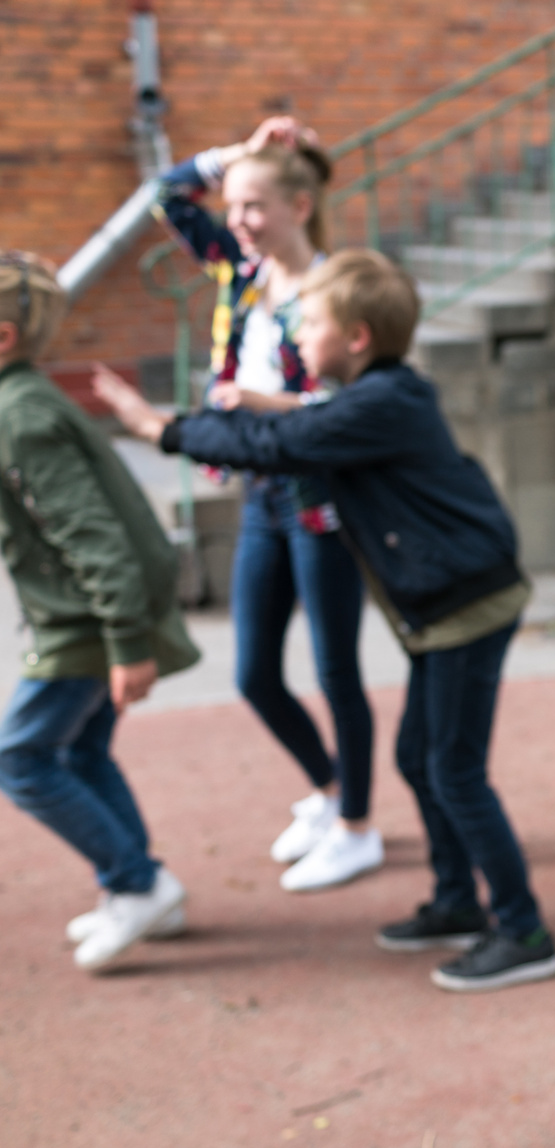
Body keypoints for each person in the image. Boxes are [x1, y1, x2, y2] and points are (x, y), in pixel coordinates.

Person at [97, 249, 555, 993]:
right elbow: (303, 419)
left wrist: (162, 429)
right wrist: (251, 403)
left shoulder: (380, 405)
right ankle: (455, 903)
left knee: (454, 769)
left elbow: (286, 446)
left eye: (308, 323)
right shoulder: (382, 393)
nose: (297, 333)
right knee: (422, 759)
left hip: (466, 608)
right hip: (438, 608)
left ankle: (523, 928)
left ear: (355, 338)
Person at [94, 115, 379, 894]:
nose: (239, 219)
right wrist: (231, 155)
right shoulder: (238, 269)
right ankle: (327, 792)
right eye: (234, 205)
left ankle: (358, 825)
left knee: (335, 672)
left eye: (255, 204)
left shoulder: (337, 286)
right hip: (260, 491)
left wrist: (258, 404)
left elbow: (346, 405)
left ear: (302, 205)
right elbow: (162, 193)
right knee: (253, 672)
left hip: (319, 499)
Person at [0, 251, 201, 972]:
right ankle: (145, 890)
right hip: (87, 618)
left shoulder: (19, 417)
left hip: (87, 626)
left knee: (21, 758)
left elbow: (95, 537)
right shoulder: (22, 402)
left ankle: (136, 884)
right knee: (82, 752)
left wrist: (126, 641)